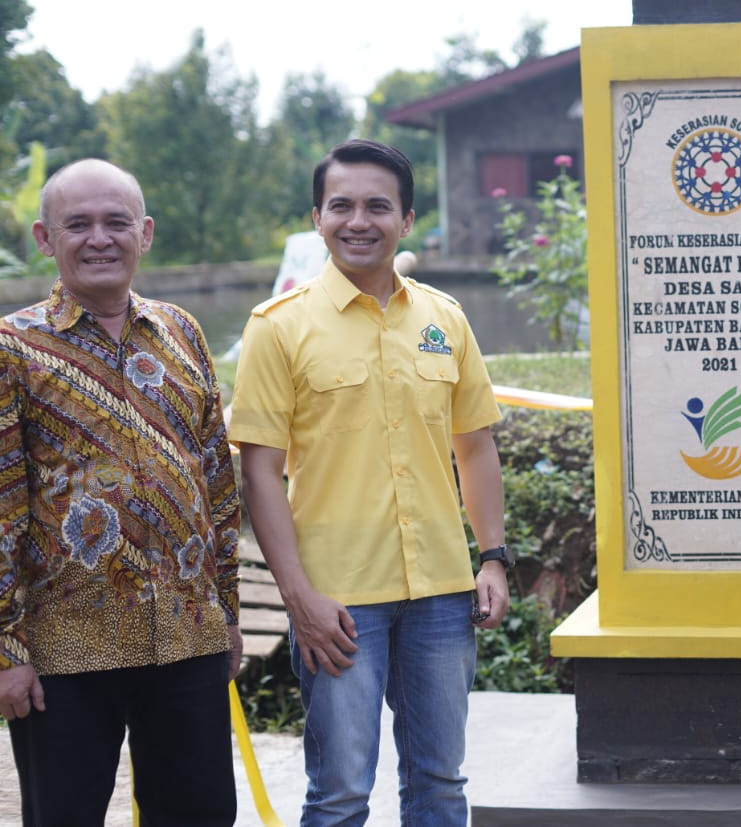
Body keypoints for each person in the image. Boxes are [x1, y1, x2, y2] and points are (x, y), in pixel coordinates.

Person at [230, 139, 511, 824]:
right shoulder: (279, 328)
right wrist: (299, 597)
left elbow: (475, 446)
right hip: (338, 601)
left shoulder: (445, 319)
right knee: (340, 795)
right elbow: (259, 472)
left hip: (441, 593)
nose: (359, 221)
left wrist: (493, 557)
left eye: (378, 206)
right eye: (342, 206)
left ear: (406, 219)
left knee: (440, 784)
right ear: (317, 218)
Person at [0, 159, 242, 824]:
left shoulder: (182, 332)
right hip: (65, 647)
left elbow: (216, 482)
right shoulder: (13, 346)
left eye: (116, 221)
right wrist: (6, 650)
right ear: (45, 238)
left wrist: (226, 611)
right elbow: (2, 505)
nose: (99, 238)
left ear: (146, 233)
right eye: (78, 224)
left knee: (200, 815)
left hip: (188, 637)